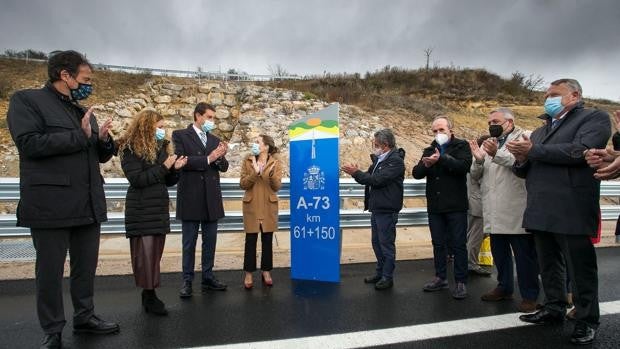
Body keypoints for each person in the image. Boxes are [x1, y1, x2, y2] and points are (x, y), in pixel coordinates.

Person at [6, 50, 119, 349]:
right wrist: (80, 137)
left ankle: (85, 316)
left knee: (85, 267)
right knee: (49, 271)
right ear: (64, 75)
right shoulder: (26, 101)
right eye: (85, 79)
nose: (88, 84)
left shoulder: (79, 110)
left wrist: (104, 140)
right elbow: (29, 144)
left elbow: (97, 154)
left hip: (87, 203)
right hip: (50, 204)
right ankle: (53, 329)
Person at [507, 79, 610, 345]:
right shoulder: (541, 131)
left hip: (571, 207)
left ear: (574, 95)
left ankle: (587, 319)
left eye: (554, 94)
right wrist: (520, 158)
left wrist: (534, 150)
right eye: (546, 94)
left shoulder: (593, 118)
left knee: (580, 269)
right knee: (549, 265)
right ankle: (554, 307)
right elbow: (525, 169)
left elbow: (580, 151)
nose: (547, 98)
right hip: (541, 208)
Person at [469, 108, 539, 313]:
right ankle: (504, 287)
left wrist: (495, 154)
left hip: (515, 207)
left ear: (509, 122)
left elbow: (523, 165)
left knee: (524, 256)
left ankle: (530, 295)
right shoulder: (489, 141)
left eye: (496, 121)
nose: (492, 125)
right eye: (489, 121)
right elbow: (475, 175)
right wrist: (480, 159)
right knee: (499, 254)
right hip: (493, 208)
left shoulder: (524, 137)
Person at [118, 110, 187, 315]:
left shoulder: (161, 147)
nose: (162, 130)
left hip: (157, 208)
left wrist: (175, 169)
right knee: (145, 255)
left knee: (154, 255)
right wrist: (165, 166)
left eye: (163, 126)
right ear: (146, 127)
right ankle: (150, 295)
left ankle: (148, 294)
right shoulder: (129, 148)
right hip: (141, 209)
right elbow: (137, 180)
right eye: (159, 126)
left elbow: (167, 181)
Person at [172, 102, 229, 298]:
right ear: (198, 116)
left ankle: (208, 276)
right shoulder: (180, 135)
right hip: (191, 196)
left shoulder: (214, 139)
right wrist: (209, 158)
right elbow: (182, 160)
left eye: (213, 118)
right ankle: (187, 280)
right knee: (189, 242)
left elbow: (223, 167)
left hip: (210, 197)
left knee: (210, 241)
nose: (212, 122)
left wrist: (222, 157)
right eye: (209, 117)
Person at [412, 116, 471, 299]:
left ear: (450, 130)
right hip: (436, 206)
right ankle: (440, 277)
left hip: (455, 205)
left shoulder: (461, 146)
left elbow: (463, 167)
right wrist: (425, 163)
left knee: (458, 244)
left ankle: (460, 281)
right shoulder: (429, 149)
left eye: (441, 130)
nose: (438, 134)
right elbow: (416, 174)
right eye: (435, 131)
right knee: (438, 244)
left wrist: (442, 159)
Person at [342, 129, 405, 290]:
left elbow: (376, 180)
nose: (374, 146)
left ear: (385, 145)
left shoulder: (395, 161)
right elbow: (368, 177)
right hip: (377, 208)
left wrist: (355, 173)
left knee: (386, 244)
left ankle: (387, 277)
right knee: (376, 243)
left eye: (376, 144)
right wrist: (357, 172)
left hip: (387, 209)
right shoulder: (379, 160)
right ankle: (380, 272)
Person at [239, 135, 283, 289]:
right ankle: (249, 273)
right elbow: (243, 184)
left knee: (267, 240)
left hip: (268, 205)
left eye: (257, 142)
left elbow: (277, 187)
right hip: (251, 205)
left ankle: (266, 271)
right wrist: (255, 173)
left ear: (266, 146)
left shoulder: (275, 162)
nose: (254, 144)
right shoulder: (248, 161)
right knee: (250, 240)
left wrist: (270, 175)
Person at [466, 135, 492, 277]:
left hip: (474, 202)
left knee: (473, 234)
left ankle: (468, 261)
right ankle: (471, 263)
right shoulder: (478, 160)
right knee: (476, 236)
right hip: (478, 203)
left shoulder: (476, 159)